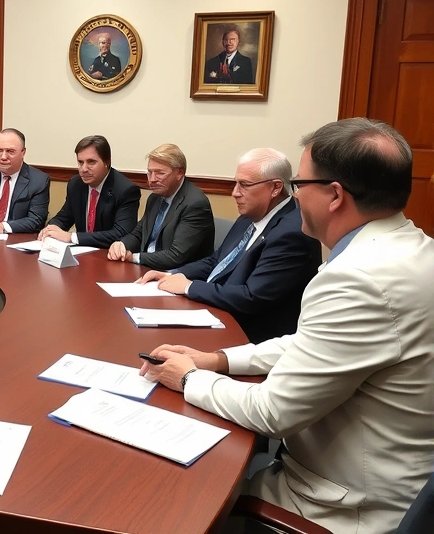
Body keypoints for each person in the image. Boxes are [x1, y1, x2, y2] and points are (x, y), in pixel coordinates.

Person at [140, 118, 434, 534]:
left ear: (334, 195)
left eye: (299, 184)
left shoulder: (358, 278)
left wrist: (188, 379)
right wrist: (219, 359)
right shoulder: (410, 249)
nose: (294, 197)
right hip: (390, 476)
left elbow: (272, 413)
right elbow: (312, 344)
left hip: (342, 506)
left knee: (169, 499)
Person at [136, 148, 321, 343]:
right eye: (235, 183)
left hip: (251, 336)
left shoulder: (292, 234)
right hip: (219, 312)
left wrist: (190, 287)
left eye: (244, 185)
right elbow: (217, 260)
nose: (234, 193)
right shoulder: (250, 215)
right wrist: (173, 274)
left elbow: (252, 298)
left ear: (275, 188)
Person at [107, 144, 214, 270]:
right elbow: (139, 234)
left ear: (179, 173)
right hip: (148, 267)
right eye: (149, 172)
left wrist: (134, 258)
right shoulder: (155, 197)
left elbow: (176, 255)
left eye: (160, 173)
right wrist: (122, 245)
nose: (152, 179)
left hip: (177, 275)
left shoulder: (195, 204)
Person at [39, 135, 141, 247]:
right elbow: (64, 217)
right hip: (81, 253)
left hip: (107, 255)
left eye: (91, 162)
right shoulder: (76, 184)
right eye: (80, 162)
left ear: (107, 161)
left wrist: (71, 237)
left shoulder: (125, 190)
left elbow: (121, 233)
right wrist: (50, 229)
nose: (84, 169)